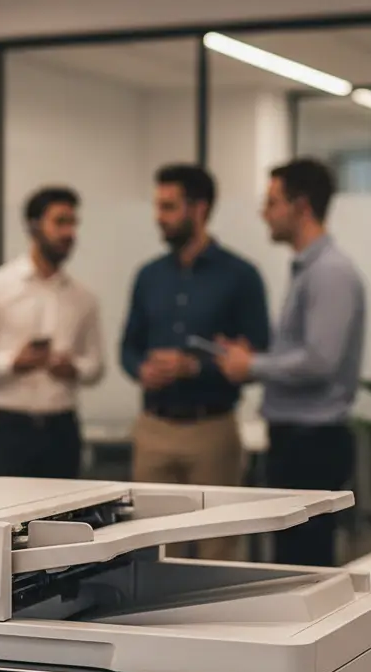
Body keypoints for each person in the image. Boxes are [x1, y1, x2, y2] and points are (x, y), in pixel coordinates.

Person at [216, 159, 364, 568]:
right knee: (294, 559)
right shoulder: (307, 269)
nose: (264, 212)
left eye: (272, 202)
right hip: (297, 439)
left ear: (300, 206)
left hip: (312, 443)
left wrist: (253, 367)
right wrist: (254, 358)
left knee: (305, 565)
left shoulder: (330, 272)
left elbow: (320, 360)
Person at [120, 165, 270, 560]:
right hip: (154, 429)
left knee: (216, 549)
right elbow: (128, 347)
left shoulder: (241, 277)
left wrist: (195, 367)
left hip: (212, 431)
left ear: (199, 209)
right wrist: (142, 369)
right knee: (152, 548)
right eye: (158, 206)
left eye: (168, 207)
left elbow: (257, 354)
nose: (159, 216)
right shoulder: (148, 276)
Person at [0, 186, 103, 479]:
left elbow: (96, 366)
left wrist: (73, 367)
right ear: (34, 225)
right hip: (9, 427)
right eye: (60, 222)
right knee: (1, 515)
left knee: (64, 517)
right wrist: (13, 362)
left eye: (73, 223)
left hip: (62, 426)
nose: (69, 233)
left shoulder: (83, 297)